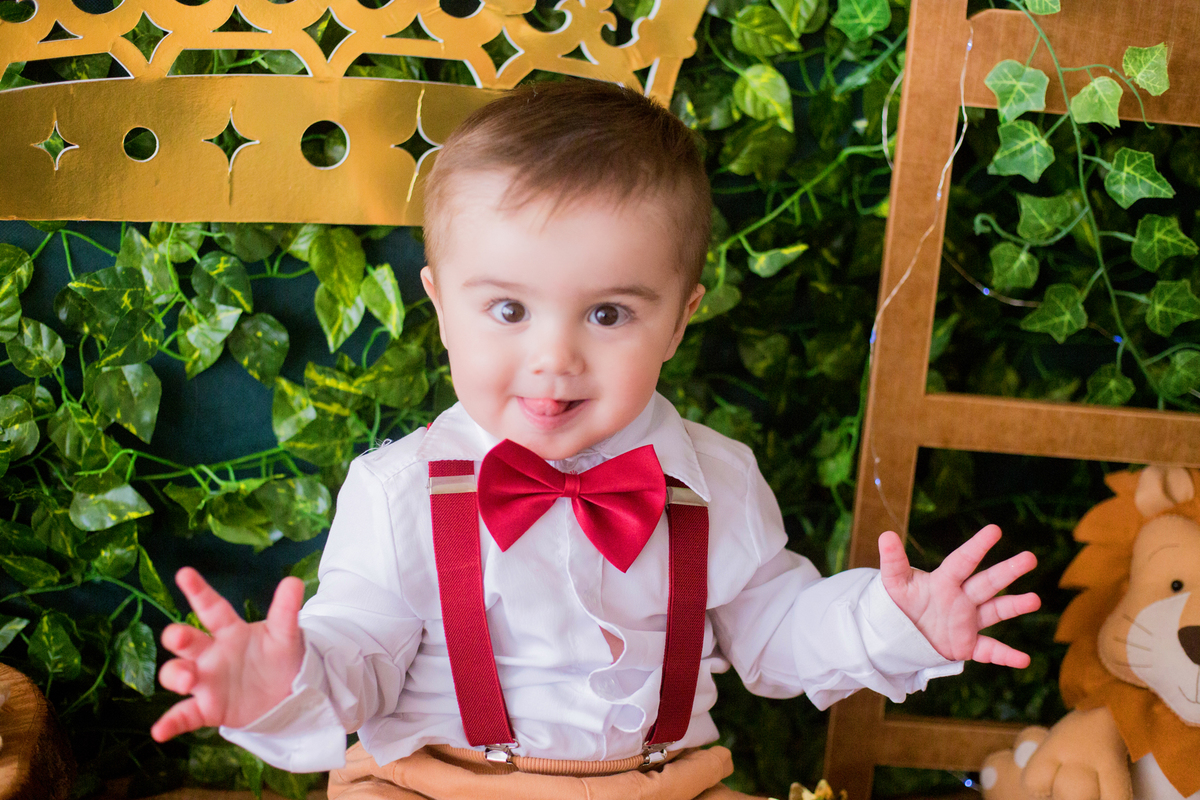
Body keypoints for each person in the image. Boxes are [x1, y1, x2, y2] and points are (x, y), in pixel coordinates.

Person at [150, 81, 1040, 800]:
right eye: (507, 309)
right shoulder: (398, 492)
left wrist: (894, 621)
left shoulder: (715, 481)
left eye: (608, 313)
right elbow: (362, 655)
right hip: (440, 785)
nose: (554, 358)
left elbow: (775, 635)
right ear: (440, 306)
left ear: (681, 321)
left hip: (664, 784)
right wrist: (283, 680)